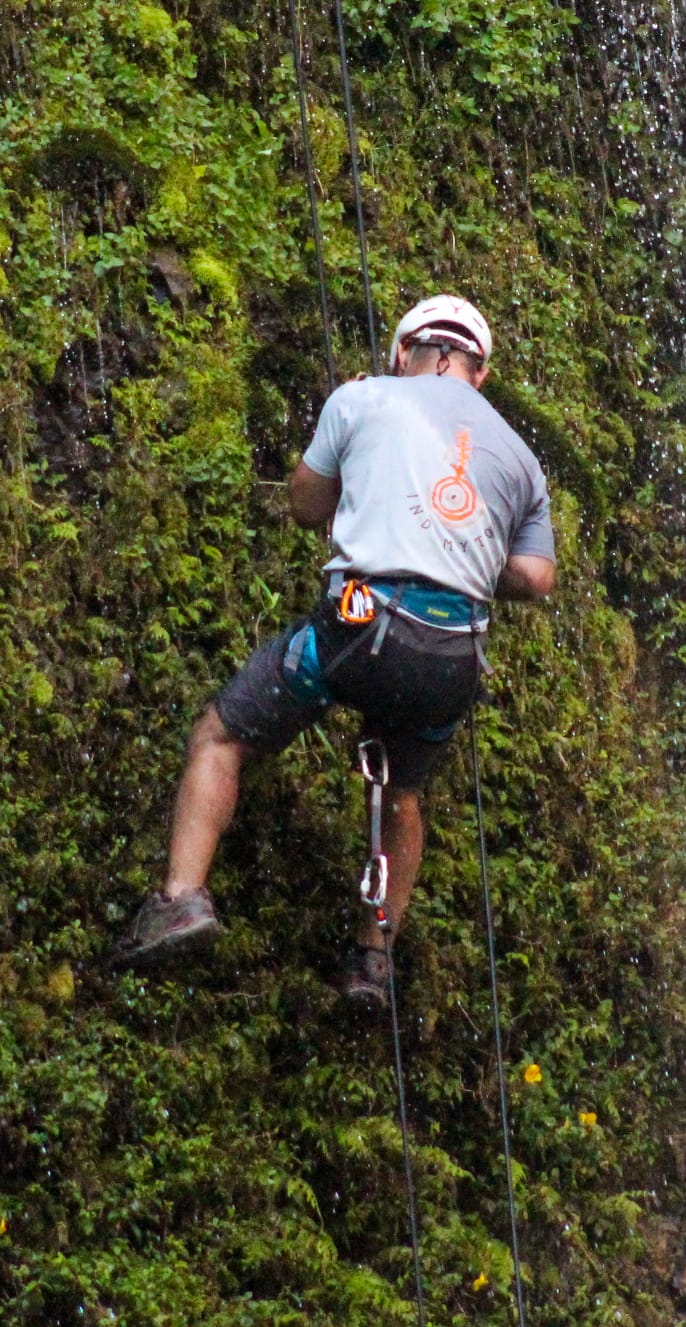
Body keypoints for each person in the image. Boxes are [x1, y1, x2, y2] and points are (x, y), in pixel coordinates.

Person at [118, 294, 556, 1008]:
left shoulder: (363, 398)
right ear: (479, 372)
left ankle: (181, 897)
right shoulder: (521, 455)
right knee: (401, 792)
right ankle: (371, 962)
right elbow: (536, 578)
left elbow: (304, 503)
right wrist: (466, 553)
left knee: (221, 734)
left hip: (362, 626)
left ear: (401, 353)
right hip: (453, 656)